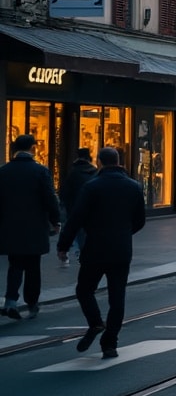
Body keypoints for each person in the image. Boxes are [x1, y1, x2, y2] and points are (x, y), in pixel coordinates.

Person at [56, 147, 145, 358]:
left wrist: (63, 245)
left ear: (99, 162)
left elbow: (76, 218)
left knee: (84, 290)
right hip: (121, 250)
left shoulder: (92, 186)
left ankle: (95, 322)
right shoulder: (134, 187)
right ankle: (110, 343)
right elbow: (140, 220)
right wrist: (124, 233)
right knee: (117, 297)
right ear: (118, 161)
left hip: (95, 247)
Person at [0, 135, 61, 320]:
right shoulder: (40, 171)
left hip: (10, 226)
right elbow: (50, 198)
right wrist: (56, 220)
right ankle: (32, 302)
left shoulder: (4, 171)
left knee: (15, 264)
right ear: (33, 148)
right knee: (33, 267)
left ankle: (10, 301)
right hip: (35, 226)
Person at [59, 148, 98, 260]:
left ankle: (76, 250)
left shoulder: (72, 172)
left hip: (74, 207)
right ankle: (85, 251)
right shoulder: (95, 172)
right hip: (91, 209)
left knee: (74, 229)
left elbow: (64, 192)